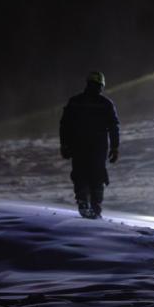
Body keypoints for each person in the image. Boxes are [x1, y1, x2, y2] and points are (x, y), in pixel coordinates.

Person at [59, 71, 120, 219]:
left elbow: (64, 125)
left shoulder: (75, 101)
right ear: (102, 85)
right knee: (97, 177)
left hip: (78, 146)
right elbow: (114, 127)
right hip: (98, 148)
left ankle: (84, 203)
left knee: (80, 174)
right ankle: (95, 209)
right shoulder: (106, 104)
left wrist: (64, 145)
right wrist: (115, 148)